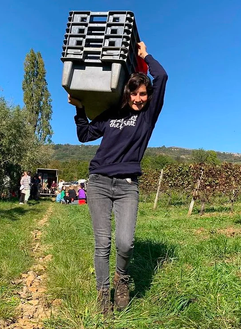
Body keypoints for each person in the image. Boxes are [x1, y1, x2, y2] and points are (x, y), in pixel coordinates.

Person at [68, 41, 168, 314]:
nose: (139, 99)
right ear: (127, 93)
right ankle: (103, 295)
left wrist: (145, 55)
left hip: (127, 186)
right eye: (134, 94)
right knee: (103, 243)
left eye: (143, 94)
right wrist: (79, 108)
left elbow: (162, 76)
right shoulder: (113, 114)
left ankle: (121, 280)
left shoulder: (148, 116)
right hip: (99, 182)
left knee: (125, 242)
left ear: (148, 96)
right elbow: (85, 134)